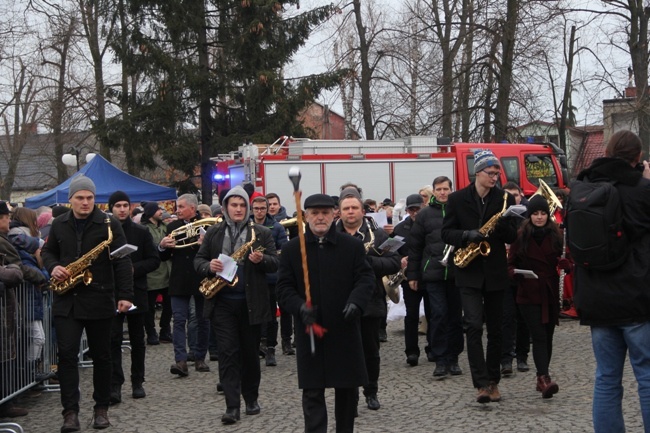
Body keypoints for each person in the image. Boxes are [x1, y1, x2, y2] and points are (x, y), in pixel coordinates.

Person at [572, 130, 650, 432]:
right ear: (637, 157)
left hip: (596, 298)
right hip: (636, 297)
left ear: (607, 151)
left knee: (606, 377)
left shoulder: (583, 187)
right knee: (645, 375)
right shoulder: (641, 191)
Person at [42, 175, 134, 431]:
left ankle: (101, 408)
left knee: (102, 357)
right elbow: (49, 252)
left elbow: (122, 260)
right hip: (67, 301)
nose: (85, 202)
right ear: (70, 199)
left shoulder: (109, 223)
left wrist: (125, 295)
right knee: (68, 356)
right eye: (80, 198)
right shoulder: (59, 224)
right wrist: (54, 266)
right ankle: (70, 412)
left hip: (99, 299)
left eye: (90, 198)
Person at [276, 193, 374, 433]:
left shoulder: (351, 246)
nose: (320, 218)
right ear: (306, 216)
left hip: (344, 327)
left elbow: (365, 278)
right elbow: (283, 288)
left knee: (347, 390)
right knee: (312, 392)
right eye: (315, 213)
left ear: (334, 214)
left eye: (325, 213)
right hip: (310, 330)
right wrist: (299, 306)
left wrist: (356, 302)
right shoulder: (291, 250)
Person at [194, 186, 278, 424]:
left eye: (242, 205)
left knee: (250, 354)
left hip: (250, 303)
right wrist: (208, 266)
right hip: (222, 303)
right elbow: (198, 260)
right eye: (234, 205)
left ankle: (251, 397)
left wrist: (262, 260)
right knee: (228, 353)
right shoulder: (213, 233)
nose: (239, 209)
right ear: (225, 208)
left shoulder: (261, 233)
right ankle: (232, 406)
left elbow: (275, 263)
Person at [441, 149, 517, 403]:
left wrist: (508, 223)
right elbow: (446, 233)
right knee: (473, 326)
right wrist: (466, 236)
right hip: (468, 271)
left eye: (497, 173)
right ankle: (481, 383)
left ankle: (493, 380)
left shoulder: (504, 198)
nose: (495, 177)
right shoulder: (457, 199)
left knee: (495, 330)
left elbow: (511, 237)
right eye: (491, 172)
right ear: (478, 172)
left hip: (495, 272)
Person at [337, 187, 401, 411]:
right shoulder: (330, 236)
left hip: (370, 301)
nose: (351, 212)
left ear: (363, 211)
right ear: (339, 212)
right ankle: (350, 395)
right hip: (340, 303)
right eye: (346, 208)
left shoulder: (379, 235)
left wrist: (369, 263)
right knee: (345, 353)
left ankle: (371, 390)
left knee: (370, 352)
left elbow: (394, 261)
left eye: (355, 208)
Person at [507, 195, 569, 398]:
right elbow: (510, 264)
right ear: (530, 215)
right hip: (528, 293)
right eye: (535, 213)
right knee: (539, 336)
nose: (540, 217)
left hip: (549, 291)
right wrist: (515, 273)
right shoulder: (521, 236)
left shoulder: (557, 235)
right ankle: (543, 377)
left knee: (548, 336)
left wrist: (565, 266)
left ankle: (542, 376)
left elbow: (567, 260)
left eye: (543, 213)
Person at [408, 176, 464, 378]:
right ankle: (440, 359)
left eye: (446, 189)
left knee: (456, 318)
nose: (442, 192)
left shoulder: (458, 211)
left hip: (457, 273)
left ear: (451, 190)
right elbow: (415, 247)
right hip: (433, 273)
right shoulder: (424, 215)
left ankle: (454, 358)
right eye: (439, 189)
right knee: (438, 315)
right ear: (434, 191)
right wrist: (413, 275)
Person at [108, 191, 160, 403]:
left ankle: (137, 381)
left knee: (138, 339)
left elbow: (154, 260)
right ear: (111, 208)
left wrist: (133, 269)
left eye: (125, 205)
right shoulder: (105, 232)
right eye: (117, 205)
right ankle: (115, 384)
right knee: (113, 339)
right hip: (111, 293)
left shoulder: (141, 231)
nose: (122, 209)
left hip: (137, 292)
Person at [159, 194, 211, 376]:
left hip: (200, 277)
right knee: (179, 320)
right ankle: (180, 360)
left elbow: (213, 254)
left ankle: (200, 357)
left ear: (192, 208)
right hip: (179, 279)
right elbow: (163, 257)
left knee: (203, 320)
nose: (177, 210)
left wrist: (204, 245)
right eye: (177, 206)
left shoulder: (206, 225)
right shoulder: (172, 226)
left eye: (181, 207)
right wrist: (163, 246)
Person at [250, 195, 288, 366]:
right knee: (255, 314)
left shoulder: (277, 227)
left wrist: (265, 256)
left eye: (262, 209)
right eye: (256, 209)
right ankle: (257, 345)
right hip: (252, 277)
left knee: (271, 315)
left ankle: (271, 347)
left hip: (271, 277)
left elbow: (282, 251)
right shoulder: (246, 226)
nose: (259, 212)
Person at [393, 193, 430, 367]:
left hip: (430, 275)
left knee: (433, 314)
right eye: (412, 209)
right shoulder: (400, 229)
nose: (415, 213)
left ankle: (433, 349)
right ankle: (412, 352)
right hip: (409, 277)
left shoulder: (430, 224)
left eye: (418, 209)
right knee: (411, 315)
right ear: (407, 210)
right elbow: (391, 250)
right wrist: (400, 259)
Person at [500, 181, 531, 376]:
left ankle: (522, 356)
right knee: (506, 318)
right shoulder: (500, 218)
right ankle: (506, 359)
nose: (513, 198)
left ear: (521, 197)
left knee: (523, 318)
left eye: (516, 195)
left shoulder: (528, 221)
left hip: (522, 274)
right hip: (503, 275)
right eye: (508, 195)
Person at [265, 192, 294, 354]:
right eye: (269, 205)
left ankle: (286, 341)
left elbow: (285, 248)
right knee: (268, 311)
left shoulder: (287, 222)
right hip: (266, 275)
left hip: (282, 272)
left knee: (286, 310)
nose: (272, 207)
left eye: (274, 204)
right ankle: (268, 342)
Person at [141, 202, 173, 345]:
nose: (161, 212)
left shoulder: (165, 227)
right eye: (158, 209)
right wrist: (161, 245)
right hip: (152, 274)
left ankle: (165, 330)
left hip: (167, 272)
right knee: (149, 307)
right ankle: (151, 332)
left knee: (169, 305)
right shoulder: (144, 229)